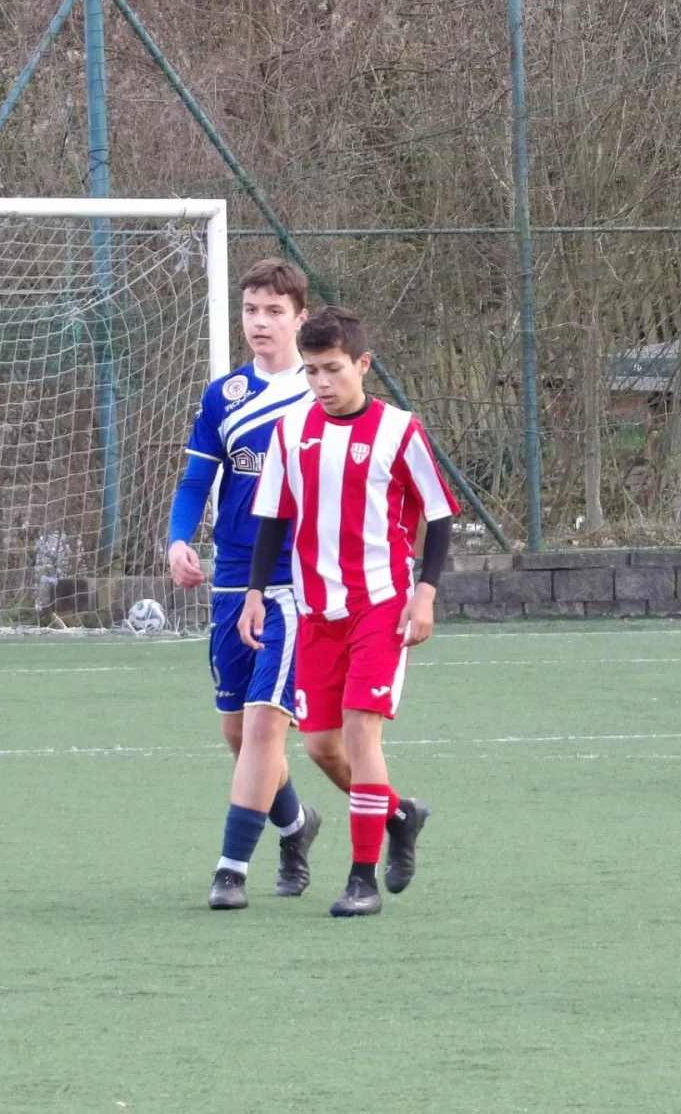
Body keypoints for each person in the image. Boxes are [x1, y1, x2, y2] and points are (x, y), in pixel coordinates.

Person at [242, 306, 458, 917]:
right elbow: (272, 519)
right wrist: (256, 592)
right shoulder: (290, 432)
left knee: (362, 733)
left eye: (333, 369)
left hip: (380, 606)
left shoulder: (399, 431)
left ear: (362, 364)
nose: (321, 382)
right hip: (315, 611)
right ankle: (398, 816)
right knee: (320, 747)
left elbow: (439, 515)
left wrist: (425, 592)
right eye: (312, 371)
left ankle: (362, 880)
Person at [167, 258, 353, 910]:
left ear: (300, 318)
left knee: (266, 727)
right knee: (236, 734)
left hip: (296, 585)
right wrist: (179, 539)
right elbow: (196, 480)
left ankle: (230, 870)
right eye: (251, 309)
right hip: (232, 580)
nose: (259, 322)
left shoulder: (320, 391)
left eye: (274, 310)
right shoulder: (224, 396)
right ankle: (297, 825)